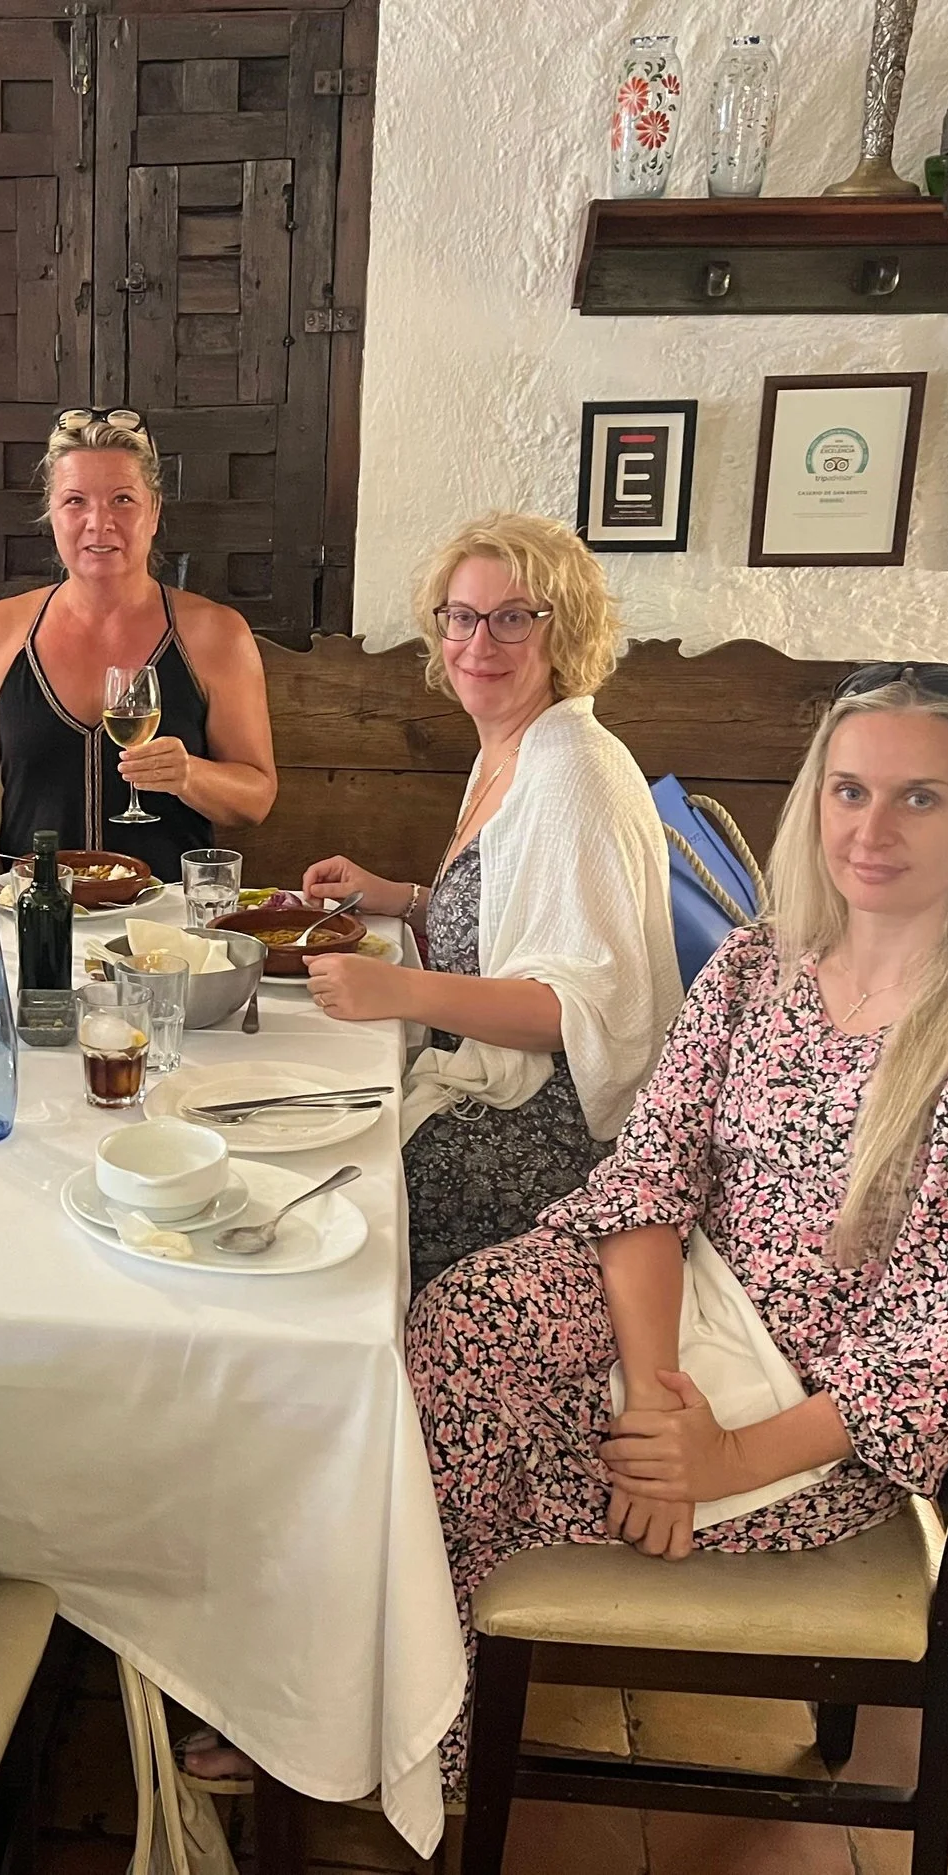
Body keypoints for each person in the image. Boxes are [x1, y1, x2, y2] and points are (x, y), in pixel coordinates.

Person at [407, 663, 948, 1787]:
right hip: (685, 1324)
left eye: (917, 797)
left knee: (454, 1447)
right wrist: (656, 1401)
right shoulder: (757, 964)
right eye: (847, 791)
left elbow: (939, 1352)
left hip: (808, 1416)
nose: (870, 828)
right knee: (445, 1330)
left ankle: (414, 1740)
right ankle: (402, 1709)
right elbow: (648, 1177)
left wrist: (718, 1456)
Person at [299, 515, 681, 1295]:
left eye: (513, 618)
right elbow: (518, 917)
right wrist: (399, 898)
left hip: (552, 1132)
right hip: (497, 1081)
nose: (480, 644)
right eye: (462, 617)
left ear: (563, 631)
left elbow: (584, 1015)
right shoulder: (513, 746)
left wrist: (398, 989)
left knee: (333, 1202)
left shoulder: (575, 772)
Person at [0, 407, 278, 876]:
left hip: (165, 929)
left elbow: (256, 797)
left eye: (122, 500)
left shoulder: (217, 633)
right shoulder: (1, 629)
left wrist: (190, 775)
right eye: (75, 501)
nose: (99, 522)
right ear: (51, 514)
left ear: (153, 512)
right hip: (36, 915)